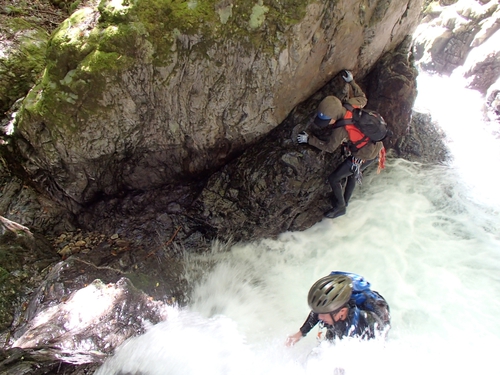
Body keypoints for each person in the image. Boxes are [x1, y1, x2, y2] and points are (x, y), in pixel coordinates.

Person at [297, 70, 386, 219]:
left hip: (365, 155)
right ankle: (345, 202)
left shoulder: (341, 130)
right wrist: (351, 81)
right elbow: (362, 97)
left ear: (333, 118)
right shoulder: (351, 105)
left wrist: (309, 140)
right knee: (351, 175)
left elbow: (330, 147)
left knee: (334, 178)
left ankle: (341, 207)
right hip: (377, 146)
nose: (327, 124)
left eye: (328, 121)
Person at [285, 273, 390, 347]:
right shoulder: (332, 310)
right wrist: (300, 333)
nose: (320, 317)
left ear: (342, 312)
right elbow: (317, 313)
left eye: (323, 314)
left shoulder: (362, 325)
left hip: (375, 322)